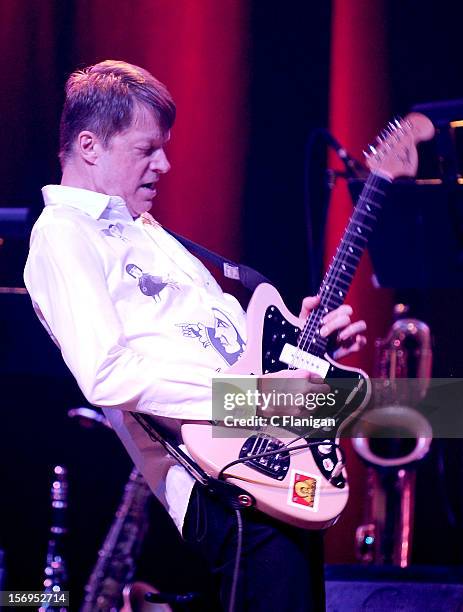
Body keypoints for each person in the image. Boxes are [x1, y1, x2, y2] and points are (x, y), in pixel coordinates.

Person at [24, 60, 367, 611]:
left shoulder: (145, 229)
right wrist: (252, 400)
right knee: (419, 412)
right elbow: (108, 374)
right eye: (146, 149)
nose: (164, 164)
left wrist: (301, 343)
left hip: (268, 442)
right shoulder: (63, 234)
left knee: (417, 408)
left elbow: (225, 343)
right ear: (89, 145)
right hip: (219, 479)